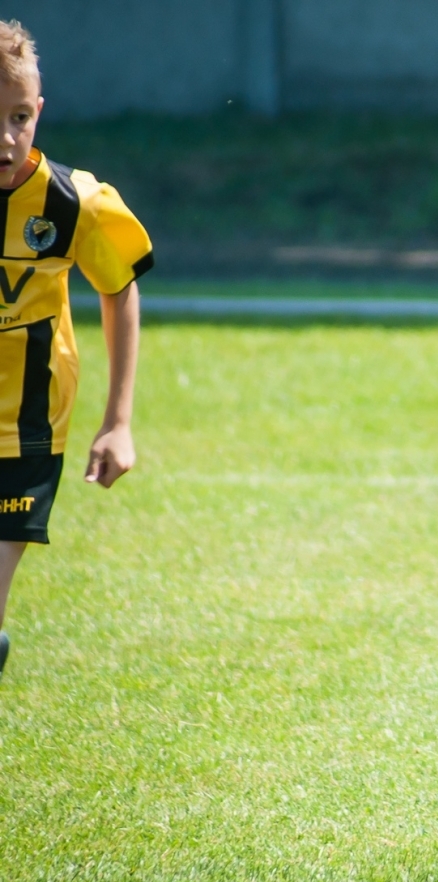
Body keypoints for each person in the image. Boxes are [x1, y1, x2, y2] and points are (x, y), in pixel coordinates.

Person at [0, 19, 151, 681]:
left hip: (26, 434)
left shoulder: (71, 202)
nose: (6, 138)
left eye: (19, 117)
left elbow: (119, 287)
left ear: (39, 111)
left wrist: (118, 422)